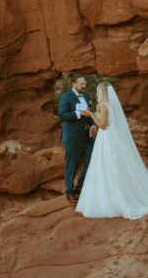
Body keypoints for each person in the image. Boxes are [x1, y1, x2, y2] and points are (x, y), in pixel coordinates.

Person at [75, 82, 148, 219]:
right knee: (114, 166)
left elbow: (102, 126)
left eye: (98, 91)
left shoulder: (103, 105)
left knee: (105, 167)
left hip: (106, 139)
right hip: (114, 137)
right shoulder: (111, 105)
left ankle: (111, 201)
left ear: (101, 92)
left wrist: (90, 114)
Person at [58, 74, 95, 203]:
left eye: (85, 83)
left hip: (87, 137)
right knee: (71, 165)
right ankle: (69, 192)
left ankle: (80, 186)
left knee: (92, 160)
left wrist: (93, 126)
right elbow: (62, 115)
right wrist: (78, 113)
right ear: (74, 84)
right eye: (81, 84)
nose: (84, 86)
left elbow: (89, 113)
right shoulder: (66, 98)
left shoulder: (86, 96)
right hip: (72, 138)